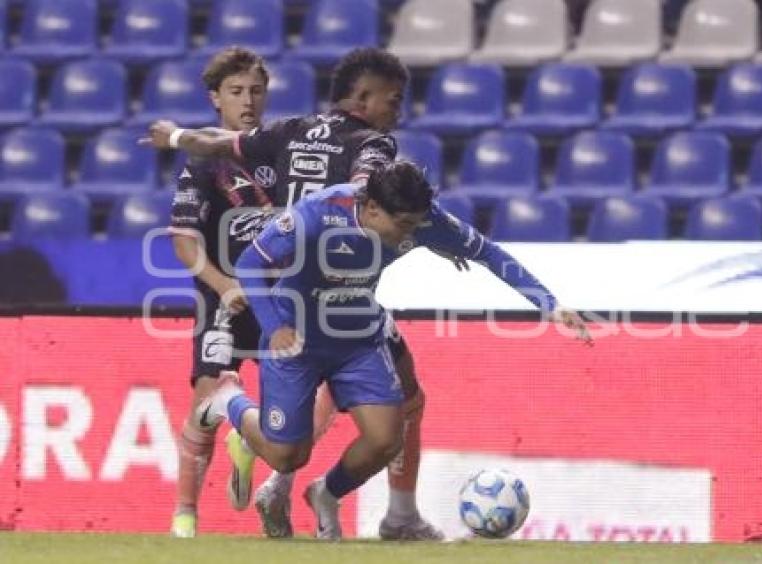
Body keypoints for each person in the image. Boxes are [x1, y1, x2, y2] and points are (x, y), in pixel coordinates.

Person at [196, 160, 591, 540]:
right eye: (403, 224)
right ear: (370, 209)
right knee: (286, 457)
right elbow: (250, 263)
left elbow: (487, 252)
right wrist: (274, 326)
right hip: (295, 338)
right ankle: (229, 400)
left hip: (358, 339)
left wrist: (550, 305)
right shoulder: (318, 213)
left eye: (417, 224)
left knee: (387, 440)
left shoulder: (419, 219)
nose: (412, 233)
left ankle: (326, 495)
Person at [146, 48, 445, 540]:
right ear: (364, 97)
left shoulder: (289, 133)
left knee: (317, 407)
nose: (399, 110)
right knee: (405, 399)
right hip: (318, 294)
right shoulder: (372, 144)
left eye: (255, 91)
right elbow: (364, 193)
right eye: (394, 99)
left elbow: (222, 142)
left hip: (281, 290)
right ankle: (396, 515)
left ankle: (285, 484)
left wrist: (176, 136)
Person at [166, 47, 274, 539]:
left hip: (280, 298)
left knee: (292, 407)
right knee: (206, 399)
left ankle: (250, 452)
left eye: (255, 91)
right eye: (236, 92)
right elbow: (183, 238)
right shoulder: (204, 162)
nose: (247, 101)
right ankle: (185, 516)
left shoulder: (283, 150)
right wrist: (222, 284)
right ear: (215, 99)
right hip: (225, 299)